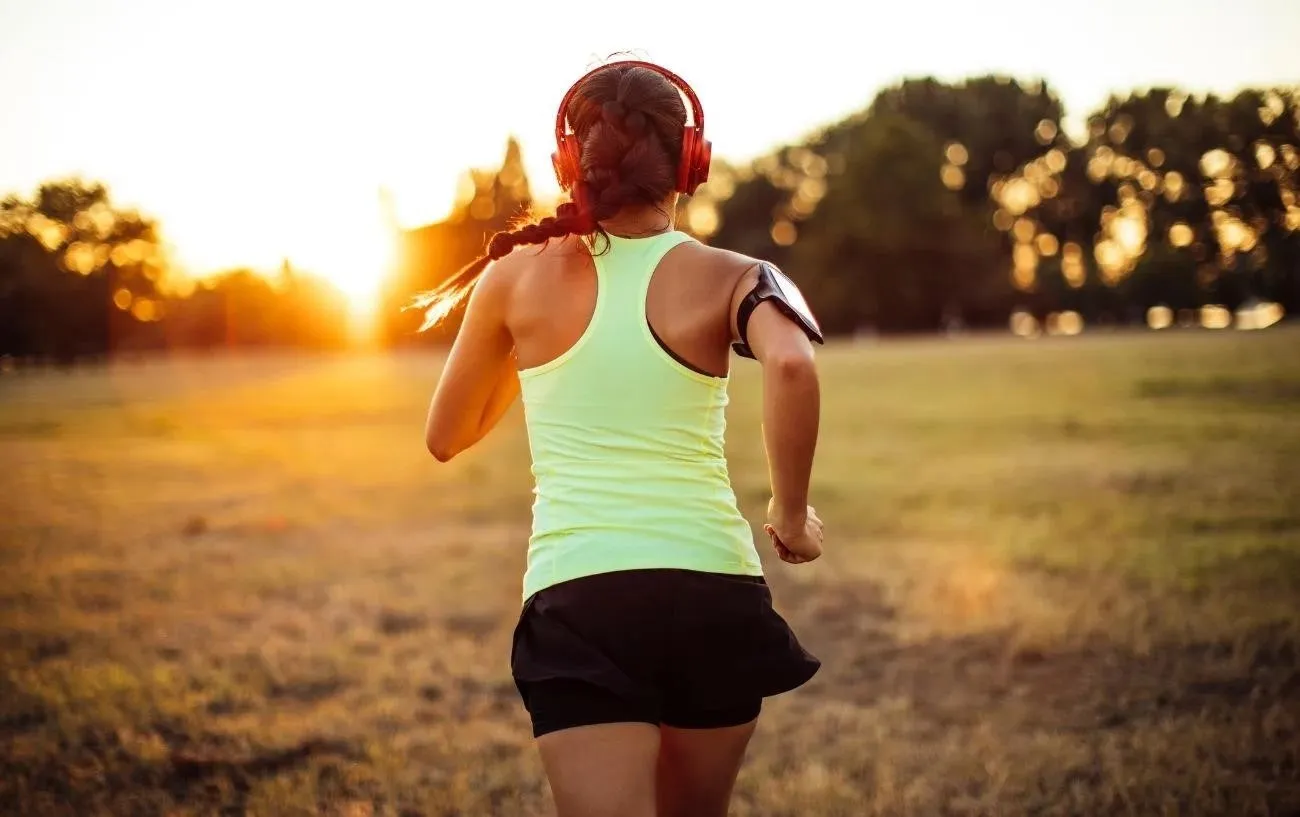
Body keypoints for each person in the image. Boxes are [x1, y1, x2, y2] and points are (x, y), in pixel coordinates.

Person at [416, 58, 825, 817]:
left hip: (582, 600)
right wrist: (792, 515)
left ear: (569, 164)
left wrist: (531, 349)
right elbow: (794, 364)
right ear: (691, 163)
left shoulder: (510, 278)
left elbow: (445, 436)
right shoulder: (736, 273)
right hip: (715, 592)